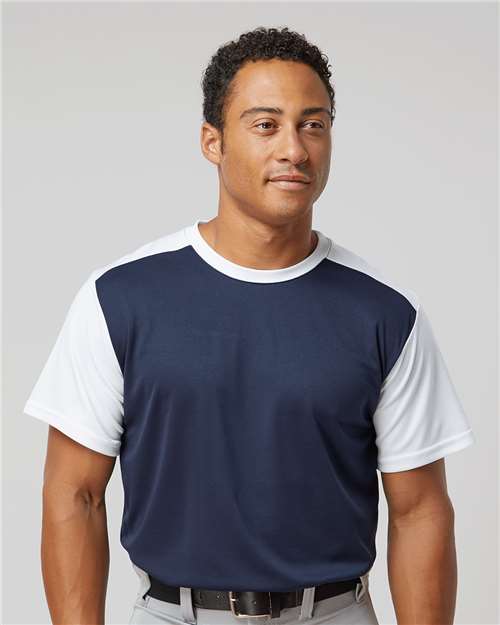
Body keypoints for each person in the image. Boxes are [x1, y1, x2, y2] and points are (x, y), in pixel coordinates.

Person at [23, 26, 475, 625]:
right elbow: (74, 494)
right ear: (212, 141)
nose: (295, 149)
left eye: (313, 125)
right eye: (266, 125)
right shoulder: (120, 298)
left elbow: (420, 512)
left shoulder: (385, 313)